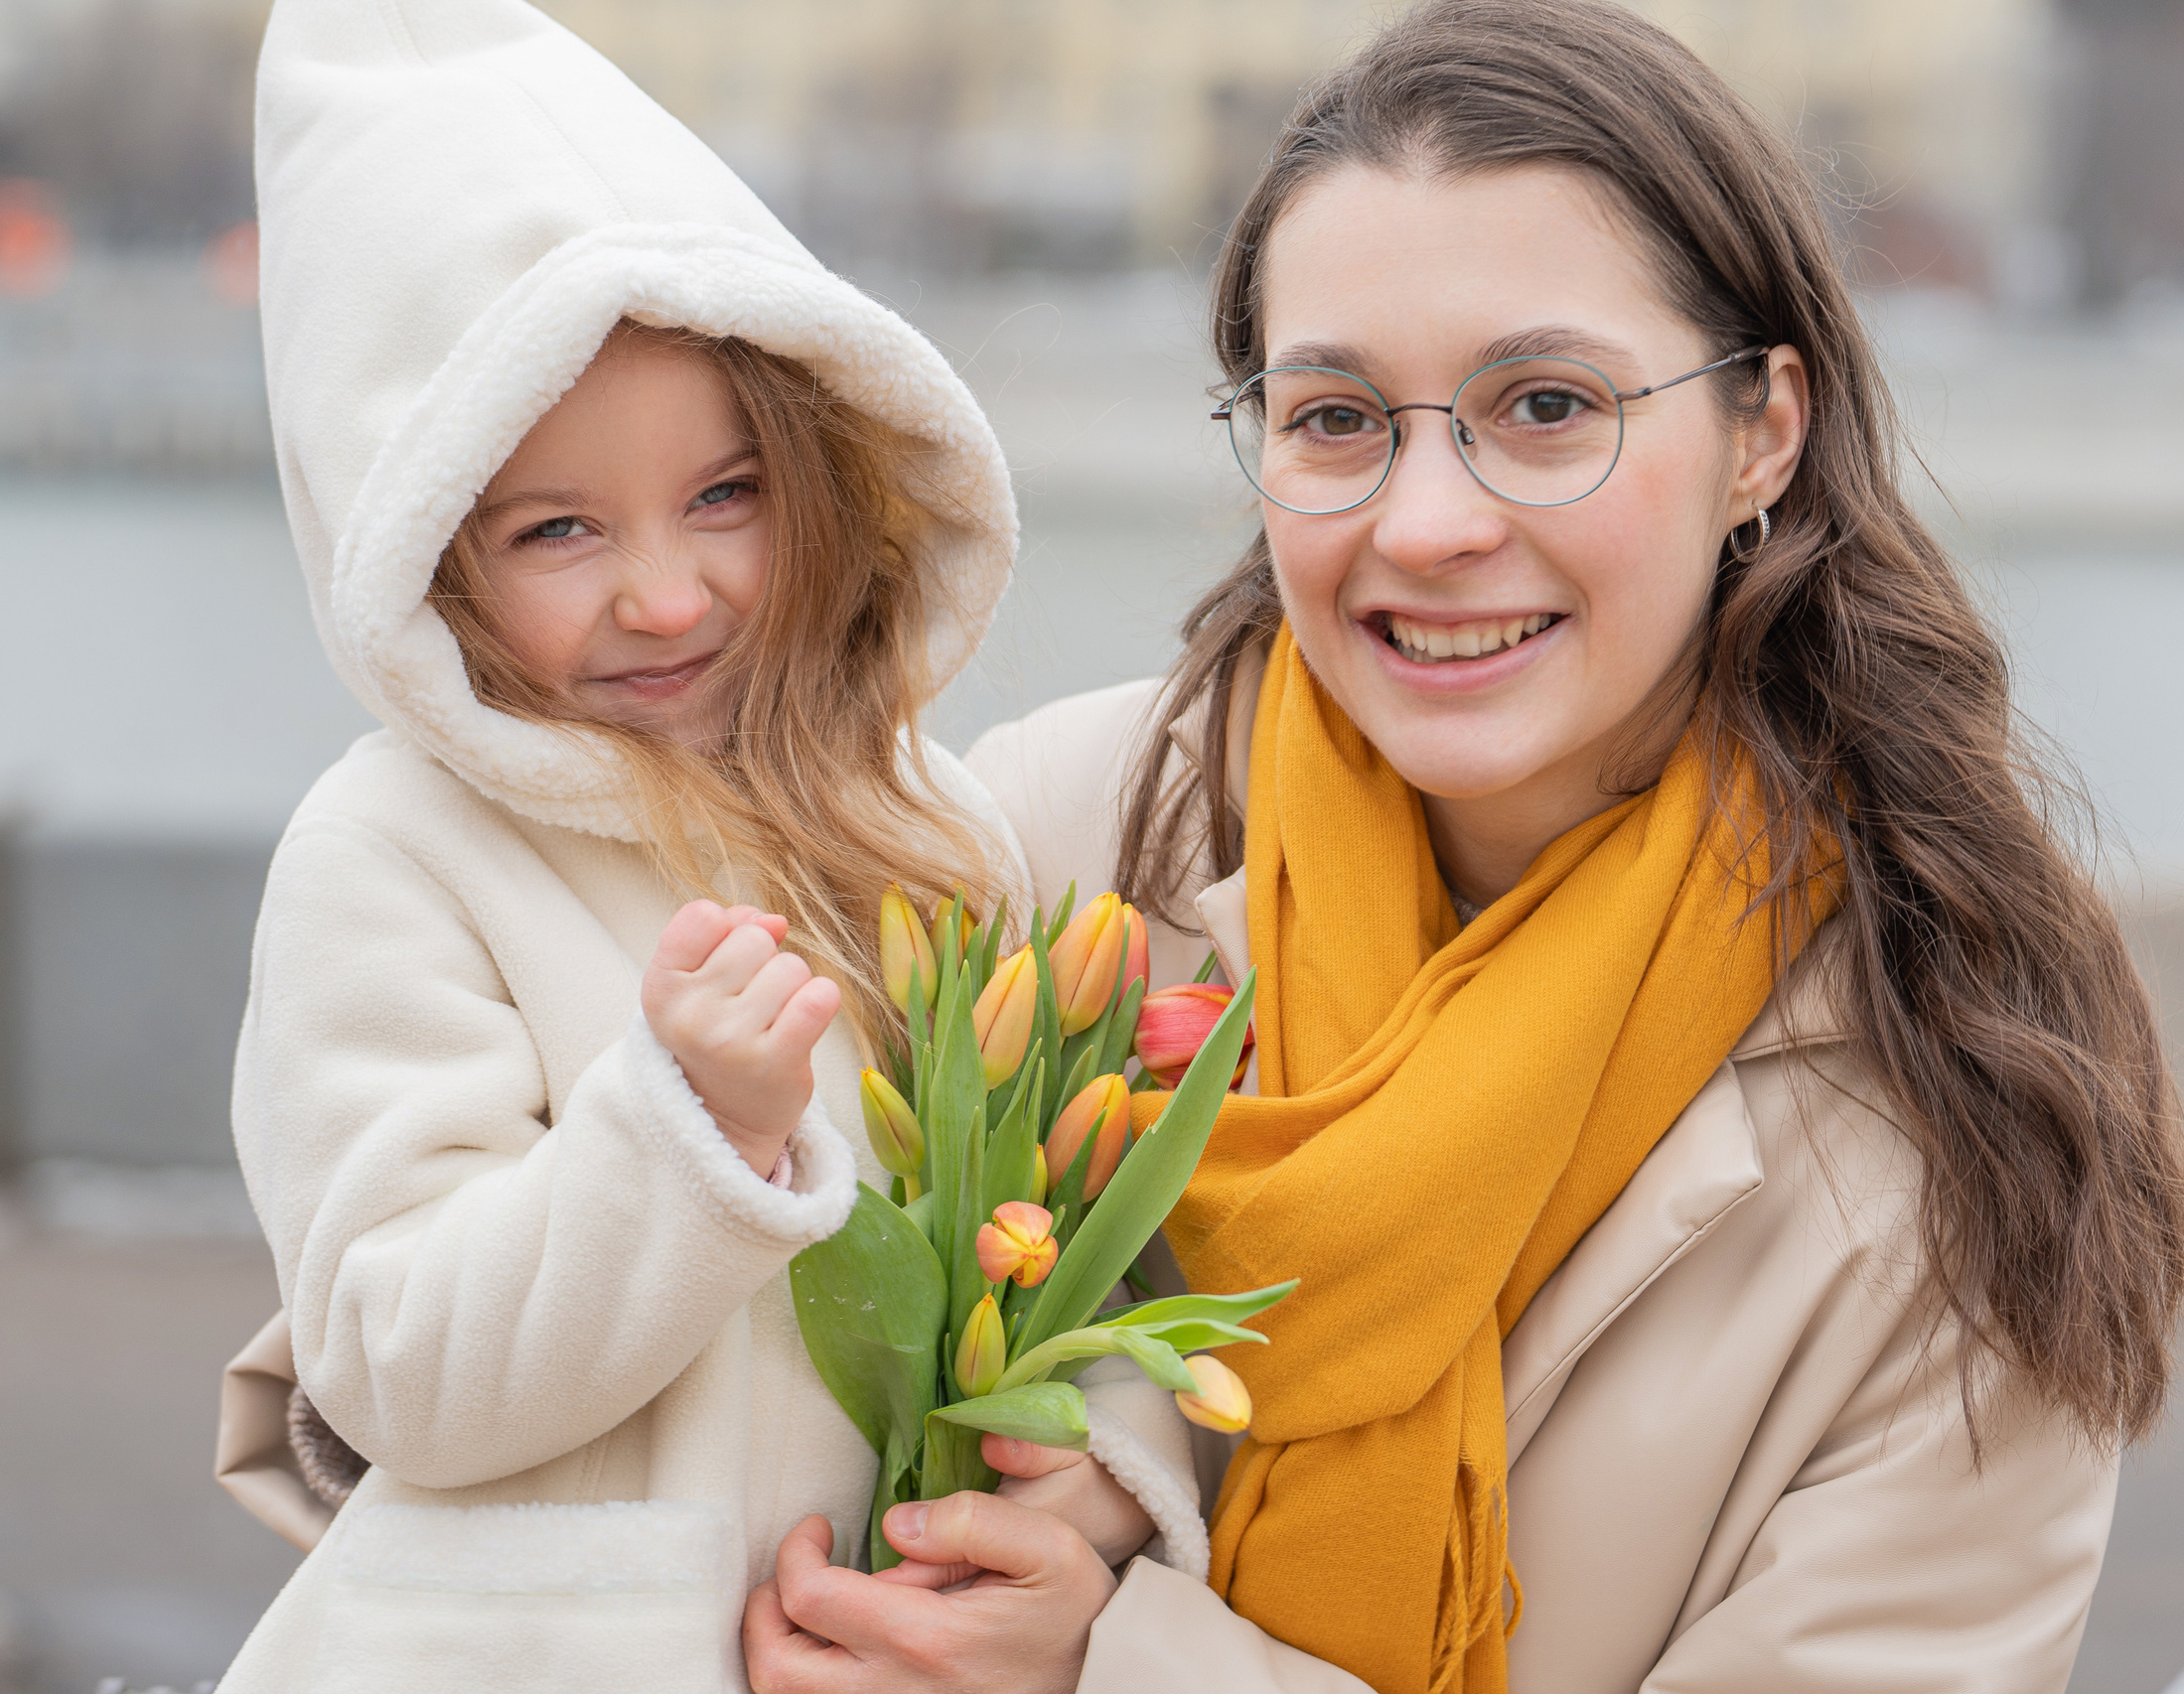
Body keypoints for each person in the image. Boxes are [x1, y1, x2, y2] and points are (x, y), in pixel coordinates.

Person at [743, 2, 2184, 1690]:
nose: (1426, 524)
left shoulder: (1974, 1111)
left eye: (1548, 404)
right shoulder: (1044, 851)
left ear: (1764, 433)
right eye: (1336, 417)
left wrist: (1103, 1669)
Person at [210, 4, 1202, 1692]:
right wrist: (685, 1130)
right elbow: (391, 1368)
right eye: (558, 529)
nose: (667, 596)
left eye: (727, 495)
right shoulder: (393, 855)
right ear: (426, 558)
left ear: (824, 477)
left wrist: (1100, 1480)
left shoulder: (929, 827)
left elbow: (1087, 1261)